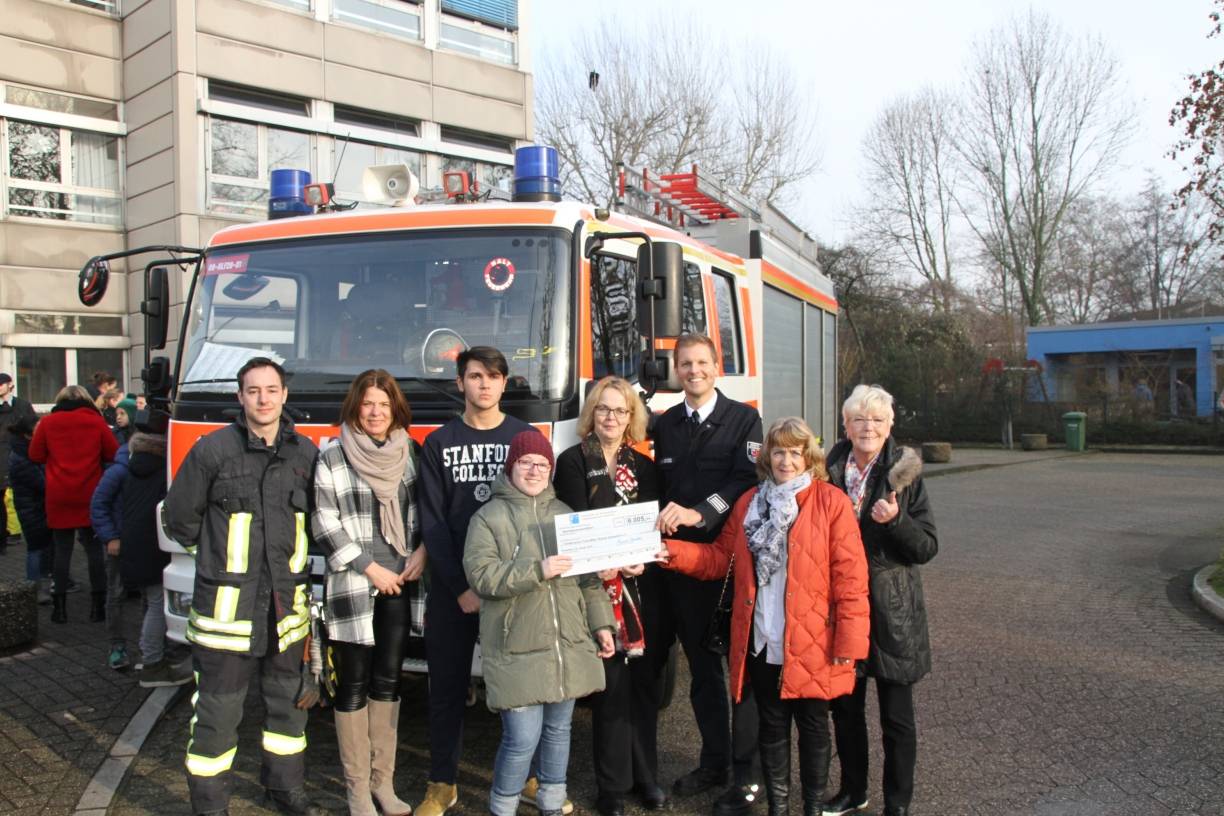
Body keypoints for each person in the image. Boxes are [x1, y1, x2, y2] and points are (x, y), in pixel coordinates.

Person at [659, 417, 870, 816]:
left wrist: (850, 645)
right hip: (761, 639)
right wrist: (672, 552)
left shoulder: (831, 502)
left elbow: (852, 582)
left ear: (809, 457)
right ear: (766, 456)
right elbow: (720, 559)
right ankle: (779, 808)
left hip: (813, 642)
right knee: (770, 731)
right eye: (779, 452)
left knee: (812, 730)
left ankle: (810, 808)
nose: (786, 461)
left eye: (795, 452)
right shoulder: (750, 502)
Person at [164, 358, 324, 816]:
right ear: (240, 397)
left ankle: (284, 790)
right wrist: (218, 565)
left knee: (288, 714)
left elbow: (315, 522)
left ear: (284, 395)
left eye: (271, 390)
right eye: (253, 391)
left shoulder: (304, 454)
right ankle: (211, 807)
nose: (263, 399)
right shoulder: (213, 451)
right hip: (225, 616)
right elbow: (180, 519)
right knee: (216, 719)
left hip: (285, 615)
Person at [463, 430, 616, 816]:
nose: (534, 470)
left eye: (542, 464)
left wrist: (601, 624)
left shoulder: (565, 514)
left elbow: (588, 579)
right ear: (511, 466)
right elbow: (481, 576)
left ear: (550, 471)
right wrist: (537, 569)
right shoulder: (487, 517)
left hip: (567, 643)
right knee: (521, 738)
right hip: (515, 646)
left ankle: (550, 801)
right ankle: (503, 807)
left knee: (558, 731)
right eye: (526, 463)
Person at [417, 346, 533, 816]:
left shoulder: (524, 438)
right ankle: (441, 783)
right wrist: (460, 587)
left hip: (510, 588)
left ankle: (526, 776)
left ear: (504, 384)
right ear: (460, 383)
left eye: (492, 377)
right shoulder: (439, 443)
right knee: (445, 688)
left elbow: (535, 513)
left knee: (518, 689)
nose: (483, 384)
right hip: (453, 593)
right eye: (474, 376)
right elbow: (433, 523)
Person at [652, 333, 763, 813]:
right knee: (691, 673)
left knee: (721, 671)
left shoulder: (744, 420)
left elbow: (743, 480)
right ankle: (712, 762)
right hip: (666, 563)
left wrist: (700, 512)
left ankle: (735, 769)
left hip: (717, 565)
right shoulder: (665, 424)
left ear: (717, 367)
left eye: (701, 362)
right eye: (685, 364)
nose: (693, 371)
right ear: (676, 370)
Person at [313, 369, 426, 816]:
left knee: (388, 683)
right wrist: (370, 567)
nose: (376, 412)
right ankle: (357, 790)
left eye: (384, 404)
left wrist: (423, 552)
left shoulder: (411, 453)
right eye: (368, 404)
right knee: (352, 688)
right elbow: (324, 521)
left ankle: (384, 784)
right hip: (356, 586)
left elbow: (426, 510)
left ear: (395, 408)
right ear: (355, 408)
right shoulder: (334, 456)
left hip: (401, 584)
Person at [822, 385, 938, 816]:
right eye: (859, 419)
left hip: (893, 612)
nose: (867, 427)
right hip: (842, 610)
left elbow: (926, 547)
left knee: (896, 718)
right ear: (846, 425)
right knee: (845, 711)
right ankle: (855, 790)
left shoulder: (905, 475)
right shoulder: (827, 470)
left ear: (890, 426)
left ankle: (897, 804)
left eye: (876, 420)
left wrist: (897, 522)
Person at [553, 376, 665, 816]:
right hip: (597, 590)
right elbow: (577, 521)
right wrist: (607, 559)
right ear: (591, 415)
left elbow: (651, 523)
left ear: (632, 417)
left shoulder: (646, 467)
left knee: (644, 688)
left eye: (621, 411)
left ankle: (647, 778)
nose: (612, 418)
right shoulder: (572, 462)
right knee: (610, 689)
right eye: (604, 409)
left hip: (641, 589)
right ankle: (612, 788)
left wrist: (643, 557)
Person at [91, 412, 191, 687]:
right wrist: (109, 536)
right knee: (157, 604)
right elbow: (99, 503)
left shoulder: (131, 463)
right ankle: (152, 664)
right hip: (149, 544)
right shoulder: (163, 468)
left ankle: (151, 655)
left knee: (151, 602)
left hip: (134, 543)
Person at [30, 385, 117, 624]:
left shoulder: (48, 423)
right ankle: (98, 607)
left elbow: (35, 455)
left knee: (61, 551)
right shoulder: (96, 422)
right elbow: (112, 453)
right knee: (93, 551)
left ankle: (60, 609)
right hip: (90, 494)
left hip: (59, 494)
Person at [91, 433, 133, 669]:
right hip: (118, 541)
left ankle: (153, 648)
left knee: (152, 596)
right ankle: (116, 645)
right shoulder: (118, 471)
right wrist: (111, 537)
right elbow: (98, 504)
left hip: (140, 543)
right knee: (115, 593)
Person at [9, 414, 53, 603]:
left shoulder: (26, 450)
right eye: (38, 426)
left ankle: (42, 583)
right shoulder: (22, 456)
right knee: (36, 548)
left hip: (35, 506)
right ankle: (34, 588)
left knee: (44, 546)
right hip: (32, 508)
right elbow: (41, 483)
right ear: (28, 433)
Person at [0, 372, 36, 555]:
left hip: (18, 454)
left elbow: (32, 425)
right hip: (1, 455)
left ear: (9, 385)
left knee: (15, 496)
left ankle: (15, 532)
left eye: (1, 384)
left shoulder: (22, 405)